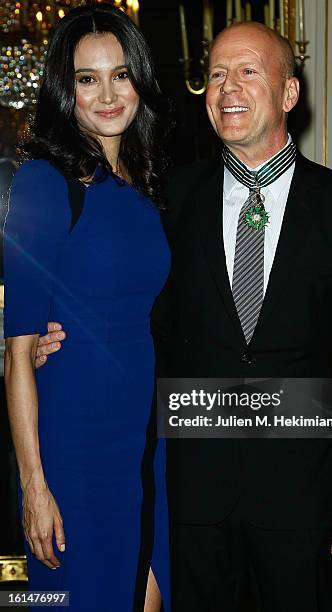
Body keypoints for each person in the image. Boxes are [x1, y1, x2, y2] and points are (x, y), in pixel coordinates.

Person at [37, 22, 332, 612]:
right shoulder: (169, 198)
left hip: (305, 497)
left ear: (288, 94)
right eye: (217, 74)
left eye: (249, 71)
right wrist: (60, 338)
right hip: (192, 495)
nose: (228, 87)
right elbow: (139, 315)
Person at [3, 4, 171, 611]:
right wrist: (34, 486)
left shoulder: (145, 183)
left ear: (140, 81)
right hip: (73, 450)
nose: (107, 94)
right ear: (64, 88)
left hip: (145, 444)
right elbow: (19, 351)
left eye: (120, 75)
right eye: (86, 78)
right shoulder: (44, 184)